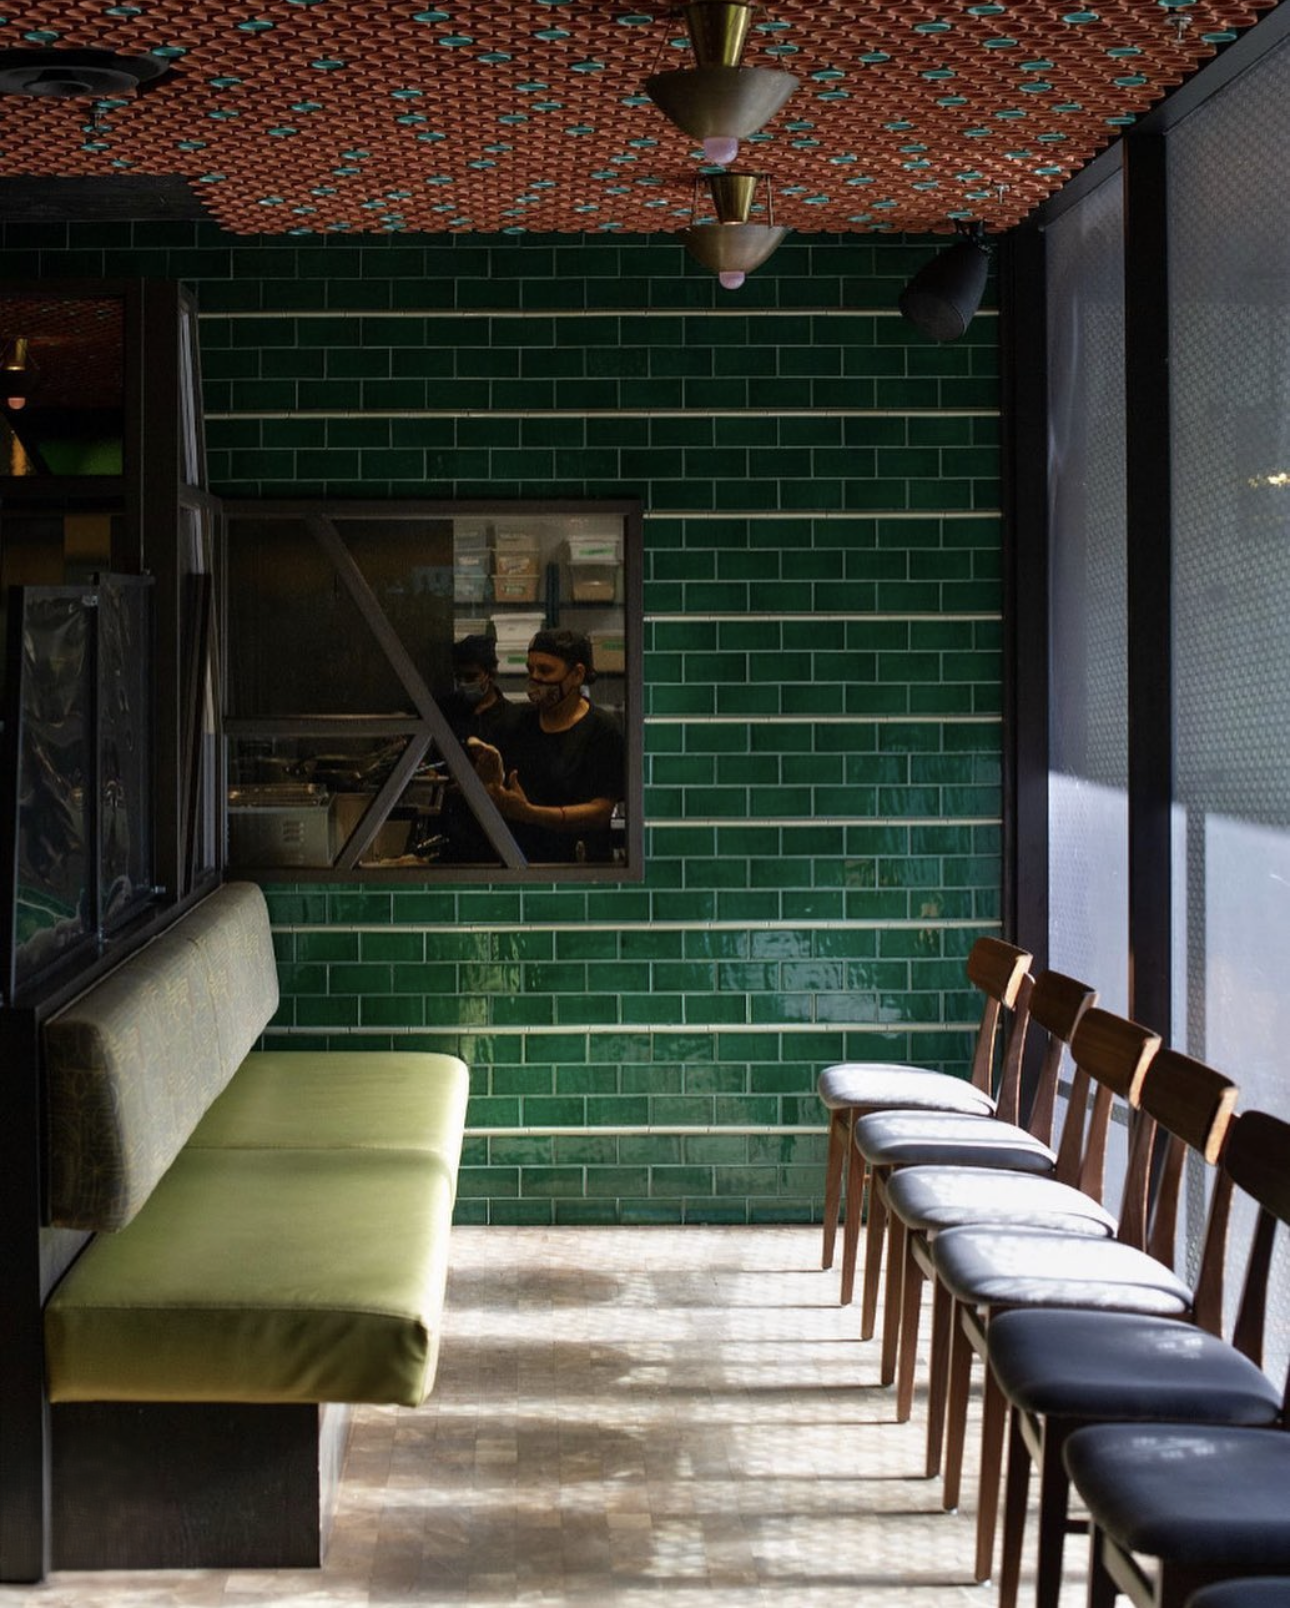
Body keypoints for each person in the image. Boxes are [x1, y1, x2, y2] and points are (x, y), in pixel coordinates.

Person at [470, 627, 624, 864]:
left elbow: (600, 813)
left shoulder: (602, 730)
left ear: (577, 675)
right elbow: (499, 793)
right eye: (530, 669)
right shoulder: (515, 722)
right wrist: (489, 780)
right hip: (521, 862)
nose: (535, 678)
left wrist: (531, 814)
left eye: (545, 670)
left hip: (579, 868)